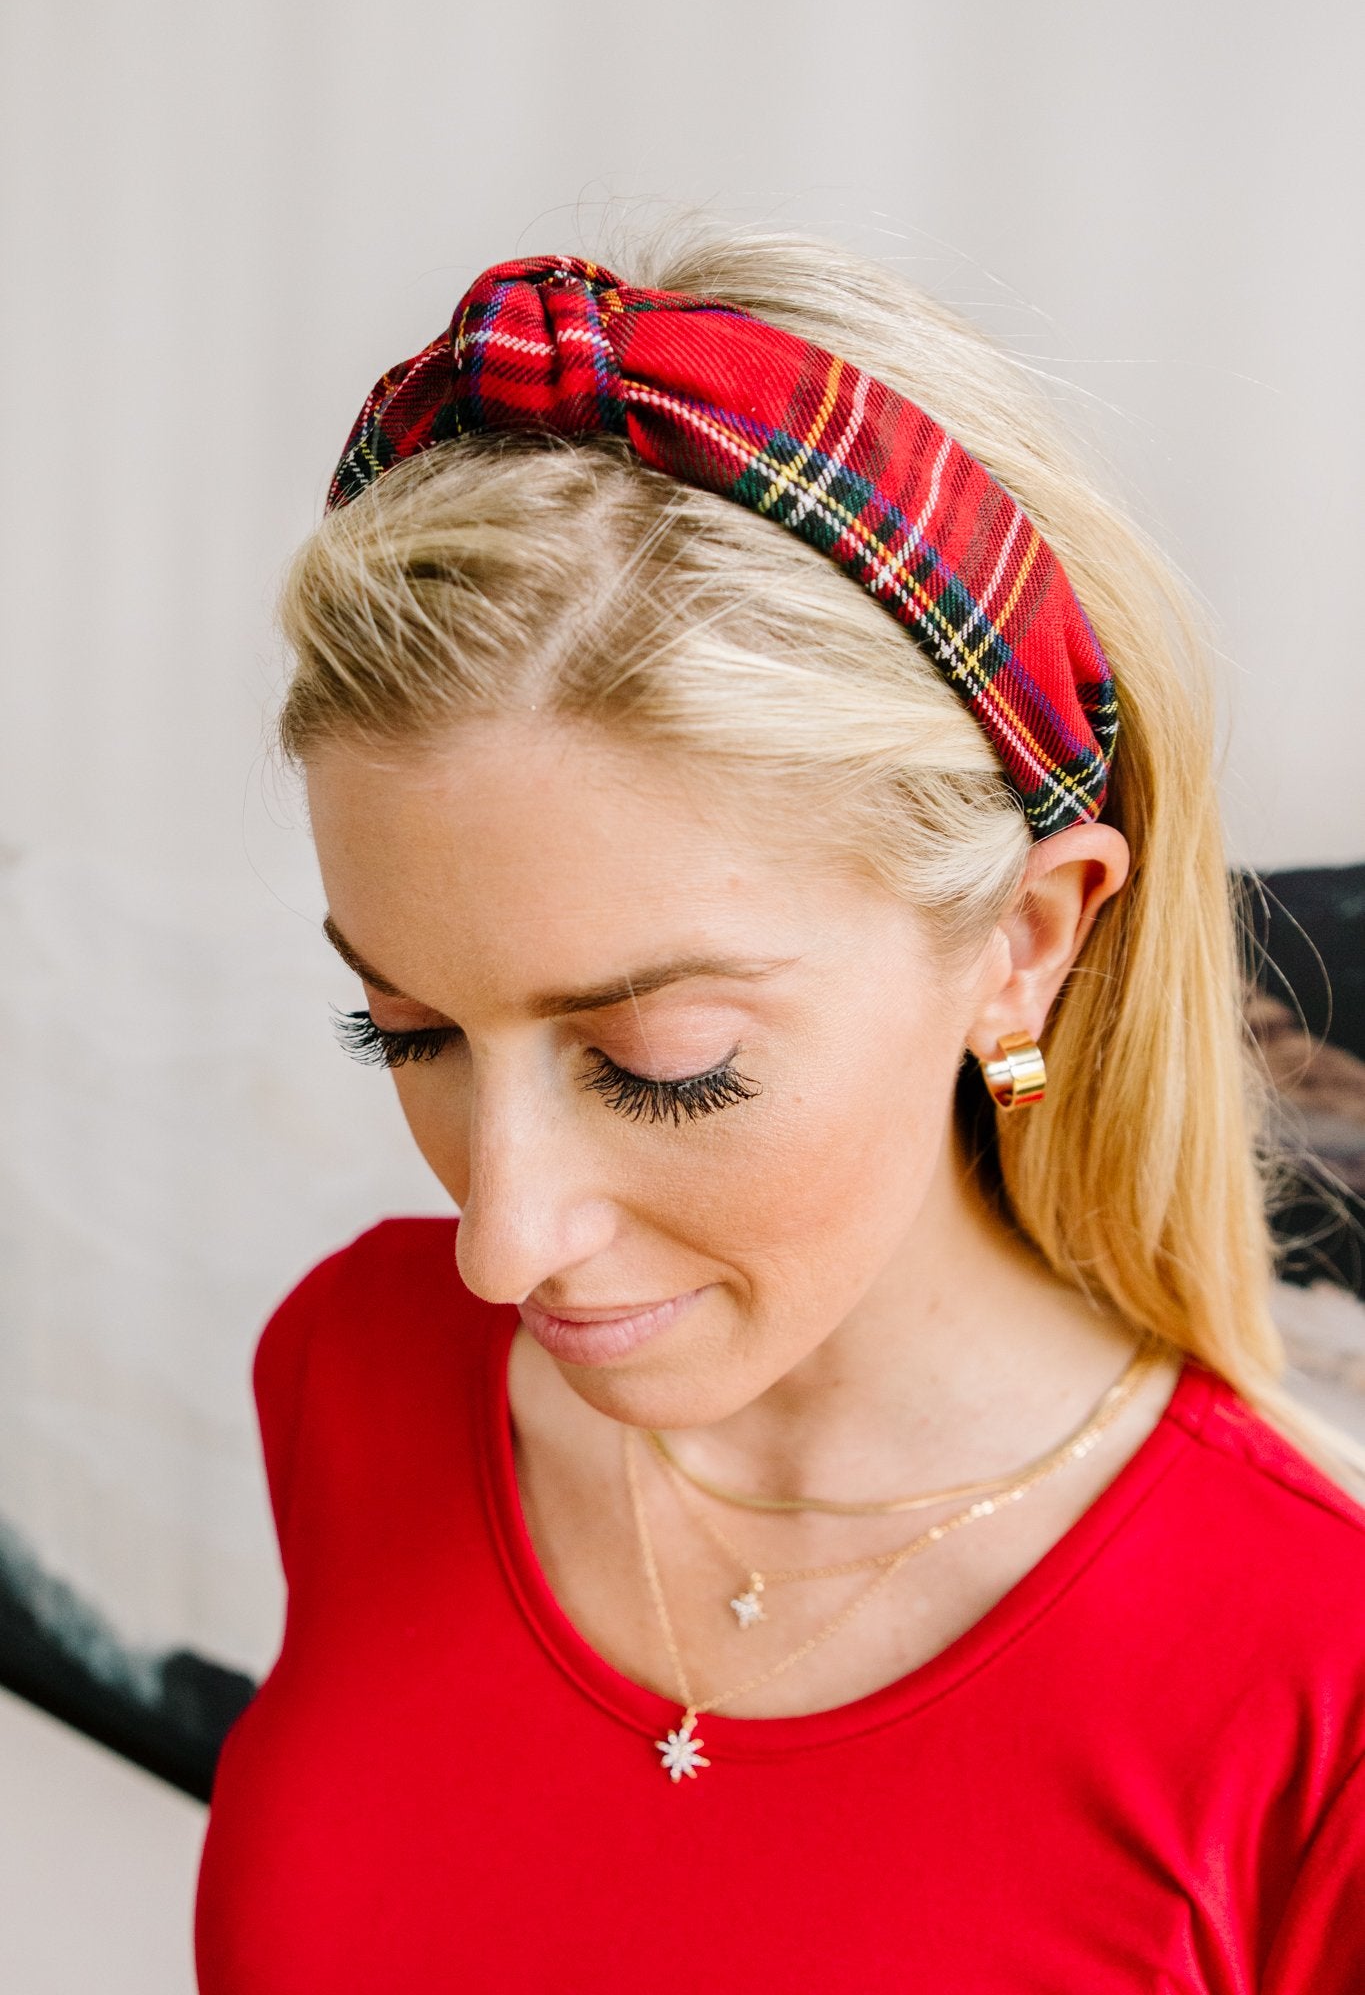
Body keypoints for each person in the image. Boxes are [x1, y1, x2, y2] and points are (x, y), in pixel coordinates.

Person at [193, 220, 1365, 1992]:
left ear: (1021, 946)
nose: (501, 1243)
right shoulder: (353, 1368)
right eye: (406, 1033)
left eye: (662, 1064)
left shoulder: (1315, 1688)